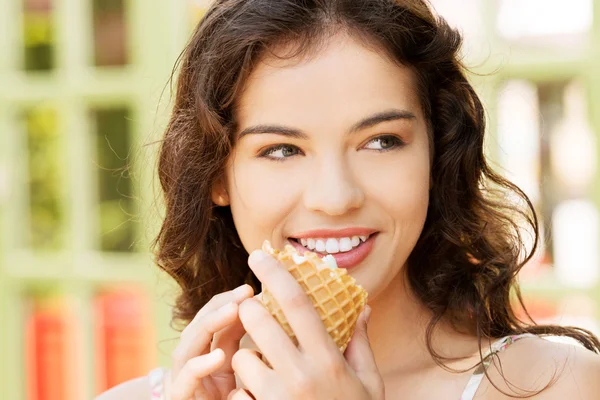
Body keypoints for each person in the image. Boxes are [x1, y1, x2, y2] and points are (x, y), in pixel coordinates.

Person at [97, 0, 600, 399]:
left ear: (436, 153)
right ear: (218, 176)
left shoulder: (555, 385)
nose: (336, 198)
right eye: (281, 149)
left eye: (381, 141)